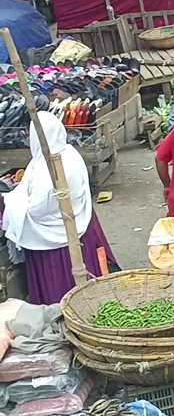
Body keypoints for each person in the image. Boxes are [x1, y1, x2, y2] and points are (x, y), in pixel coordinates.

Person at [1, 111, 118, 305]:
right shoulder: (69, 153)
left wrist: (9, 203)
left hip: (57, 243)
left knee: (63, 295)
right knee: (85, 294)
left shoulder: (49, 168)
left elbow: (37, 210)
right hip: (75, 229)